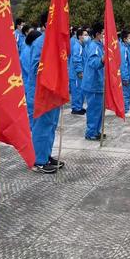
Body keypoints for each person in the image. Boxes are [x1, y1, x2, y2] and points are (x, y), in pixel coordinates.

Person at [26, 12, 63, 173]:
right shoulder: (41, 43)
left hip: (54, 92)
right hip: (42, 93)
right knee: (41, 127)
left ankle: (46, 155)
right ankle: (38, 160)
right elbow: (35, 69)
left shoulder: (57, 43)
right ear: (45, 25)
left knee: (51, 125)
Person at [81, 22, 105, 140]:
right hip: (93, 84)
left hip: (99, 83)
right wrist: (102, 60)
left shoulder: (100, 45)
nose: (105, 35)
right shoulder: (93, 46)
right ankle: (90, 133)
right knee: (94, 110)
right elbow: (93, 63)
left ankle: (96, 131)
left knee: (99, 110)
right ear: (97, 34)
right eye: (103, 33)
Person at [20, 29, 42, 129]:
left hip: (32, 85)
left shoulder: (31, 50)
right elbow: (31, 70)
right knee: (32, 112)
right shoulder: (27, 52)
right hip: (30, 85)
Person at [69, 27, 88, 115]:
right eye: (85, 35)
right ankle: (75, 108)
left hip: (80, 73)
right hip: (76, 74)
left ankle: (79, 106)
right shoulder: (77, 46)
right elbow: (76, 59)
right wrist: (79, 71)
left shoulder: (82, 46)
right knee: (77, 90)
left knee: (81, 90)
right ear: (80, 36)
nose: (87, 37)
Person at [120, 29, 130, 117]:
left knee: (128, 93)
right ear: (125, 39)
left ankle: (126, 108)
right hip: (127, 76)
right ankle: (125, 110)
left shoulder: (128, 48)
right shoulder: (123, 50)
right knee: (125, 94)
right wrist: (125, 77)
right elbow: (123, 65)